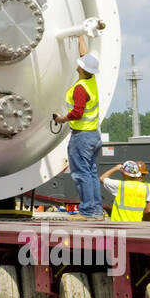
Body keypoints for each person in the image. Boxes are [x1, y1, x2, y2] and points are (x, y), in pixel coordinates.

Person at [52, 42, 104, 219]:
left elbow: (77, 113)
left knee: (81, 174)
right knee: (91, 173)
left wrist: (61, 119)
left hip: (82, 137)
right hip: (94, 135)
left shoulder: (80, 89)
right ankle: (96, 210)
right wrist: (82, 34)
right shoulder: (91, 81)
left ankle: (88, 211)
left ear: (81, 68)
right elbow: (85, 56)